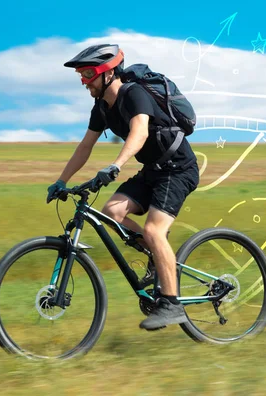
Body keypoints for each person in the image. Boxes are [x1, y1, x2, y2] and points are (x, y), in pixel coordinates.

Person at [46, 44, 200, 330]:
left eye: (88, 73)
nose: (84, 81)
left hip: (178, 169)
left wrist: (116, 165)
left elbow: (140, 131)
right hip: (152, 171)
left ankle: (171, 304)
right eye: (81, 74)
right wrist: (61, 181)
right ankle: (160, 256)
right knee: (112, 212)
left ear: (108, 72)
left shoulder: (134, 94)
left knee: (154, 230)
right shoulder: (102, 108)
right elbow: (85, 147)